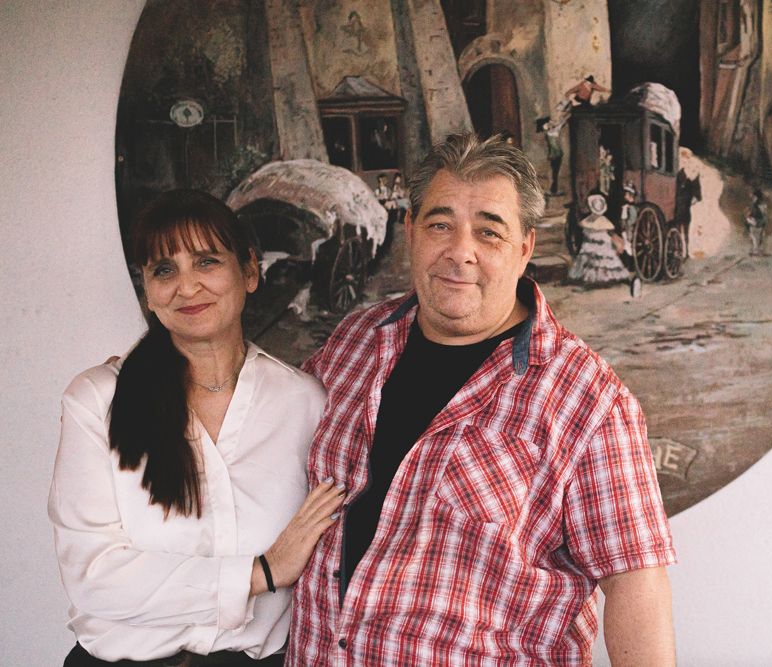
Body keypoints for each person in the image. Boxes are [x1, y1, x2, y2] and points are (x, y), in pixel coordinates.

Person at [289, 133, 676, 665]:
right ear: (410, 230)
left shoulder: (586, 399)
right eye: (440, 225)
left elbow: (636, 583)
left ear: (524, 249)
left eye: (489, 232)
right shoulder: (354, 343)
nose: (460, 251)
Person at [49, 190, 346, 666]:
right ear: (148, 291)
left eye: (207, 262)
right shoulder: (98, 399)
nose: (186, 288)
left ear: (250, 272)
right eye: (164, 270)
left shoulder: (305, 402)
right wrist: (262, 573)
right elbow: (92, 576)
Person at [569, 192, 633, 287]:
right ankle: (600, 277)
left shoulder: (591, 221)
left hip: (593, 243)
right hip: (599, 243)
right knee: (601, 257)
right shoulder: (601, 221)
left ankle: (598, 277)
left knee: (593, 257)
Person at [745, 187, 768, 256]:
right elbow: (764, 214)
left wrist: (748, 217)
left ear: (756, 196)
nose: (752, 198)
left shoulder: (754, 204)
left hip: (756, 222)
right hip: (760, 222)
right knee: (759, 236)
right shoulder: (763, 204)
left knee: (754, 236)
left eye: (753, 196)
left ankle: (756, 251)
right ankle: (759, 250)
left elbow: (752, 213)